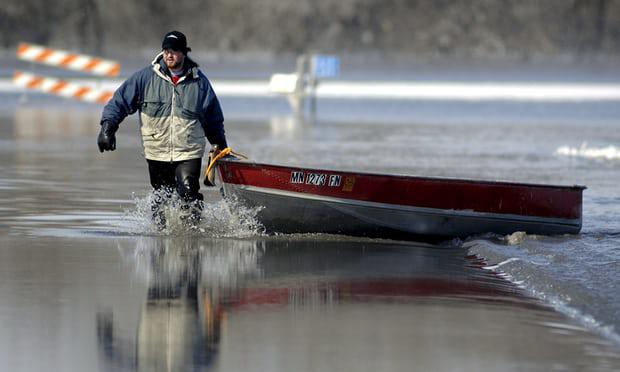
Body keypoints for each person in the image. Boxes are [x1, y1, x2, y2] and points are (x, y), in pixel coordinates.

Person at [97, 30, 227, 228]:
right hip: (157, 152)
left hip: (188, 151)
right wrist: (108, 127)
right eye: (166, 50)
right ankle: (160, 240)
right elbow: (119, 102)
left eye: (174, 50)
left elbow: (213, 119)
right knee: (162, 198)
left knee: (189, 192)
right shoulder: (144, 78)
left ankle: (191, 237)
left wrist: (221, 147)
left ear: (184, 53)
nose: (169, 54)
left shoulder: (200, 83)